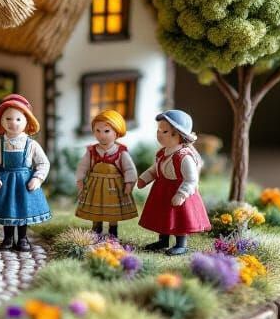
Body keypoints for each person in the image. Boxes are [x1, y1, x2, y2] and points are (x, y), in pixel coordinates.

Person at [0, 93, 51, 251]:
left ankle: (23, 238)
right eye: (8, 119)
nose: (13, 123)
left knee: (23, 209)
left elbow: (43, 162)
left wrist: (37, 179)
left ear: (27, 121)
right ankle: (8, 237)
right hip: (5, 182)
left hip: (24, 183)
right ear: (1, 121)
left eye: (18, 119)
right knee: (8, 210)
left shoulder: (31, 144)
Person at [135, 110, 209, 255]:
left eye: (164, 131)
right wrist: (145, 178)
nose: (159, 134)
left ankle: (181, 243)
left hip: (177, 189)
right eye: (159, 130)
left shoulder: (184, 157)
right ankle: (163, 240)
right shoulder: (163, 153)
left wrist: (182, 194)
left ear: (178, 135)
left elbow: (191, 179)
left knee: (179, 217)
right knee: (163, 215)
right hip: (162, 189)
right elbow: (156, 168)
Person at [75, 109, 137, 237]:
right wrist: (80, 179)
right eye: (97, 130)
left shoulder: (121, 152)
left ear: (117, 133)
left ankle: (113, 230)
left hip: (114, 186)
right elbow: (83, 166)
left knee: (112, 208)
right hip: (95, 186)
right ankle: (96, 228)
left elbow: (129, 168)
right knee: (95, 207)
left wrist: (129, 183)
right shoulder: (91, 151)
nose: (101, 135)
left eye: (106, 131)